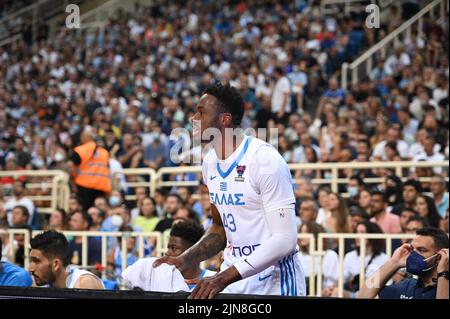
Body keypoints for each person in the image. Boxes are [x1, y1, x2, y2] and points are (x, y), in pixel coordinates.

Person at [154, 83, 305, 298]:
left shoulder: (264, 159)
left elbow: (285, 239)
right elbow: (219, 228)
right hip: (234, 278)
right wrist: (186, 258)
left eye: (201, 112)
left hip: (274, 280)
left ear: (224, 120)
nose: (193, 118)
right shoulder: (209, 162)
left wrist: (223, 277)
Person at [358, 227, 449, 299]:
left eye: (421, 250)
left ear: (439, 256)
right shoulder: (406, 286)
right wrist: (394, 263)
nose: (413, 254)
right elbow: (363, 296)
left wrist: (443, 273)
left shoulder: (445, 287)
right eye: (412, 249)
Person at [29, 230, 104, 289]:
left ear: (56, 264)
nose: (30, 269)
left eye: (36, 261)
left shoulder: (84, 283)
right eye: (31, 261)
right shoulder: (40, 285)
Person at [67, 126, 112, 211]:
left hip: (84, 188)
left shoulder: (80, 150)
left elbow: (70, 165)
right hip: (101, 189)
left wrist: (73, 180)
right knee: (99, 213)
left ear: (84, 137)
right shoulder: (104, 152)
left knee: (86, 213)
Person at [165, 220, 216, 291]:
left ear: (193, 251)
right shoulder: (162, 281)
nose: (167, 253)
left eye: (173, 248)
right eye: (168, 248)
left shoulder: (215, 282)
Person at [298, 221, 339, 295]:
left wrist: (323, 292)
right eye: (301, 232)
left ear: (315, 235)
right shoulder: (298, 255)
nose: (301, 235)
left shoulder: (330, 255)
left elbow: (333, 282)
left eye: (305, 232)